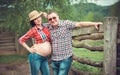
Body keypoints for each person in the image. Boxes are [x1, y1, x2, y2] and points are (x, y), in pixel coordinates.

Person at [45, 11, 103, 75]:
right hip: (54, 59)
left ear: (58, 17)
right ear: (48, 21)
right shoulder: (48, 27)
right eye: (50, 19)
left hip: (65, 59)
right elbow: (36, 24)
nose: (53, 20)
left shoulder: (66, 24)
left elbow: (80, 24)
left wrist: (94, 23)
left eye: (54, 17)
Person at [18, 10, 51, 75]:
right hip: (36, 57)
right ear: (33, 21)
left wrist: (47, 16)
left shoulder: (45, 26)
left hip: (44, 58)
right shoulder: (33, 30)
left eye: (38, 17)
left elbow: (54, 23)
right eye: (35, 19)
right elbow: (21, 40)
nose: (38, 19)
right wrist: (29, 49)